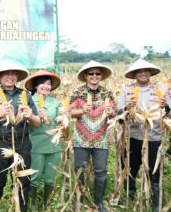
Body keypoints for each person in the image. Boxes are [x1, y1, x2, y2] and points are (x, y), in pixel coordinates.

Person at [0, 59, 41, 212]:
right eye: (6, 73)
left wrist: (31, 116)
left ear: (17, 77)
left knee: (23, 184)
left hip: (22, 143)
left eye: (14, 74)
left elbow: (37, 122)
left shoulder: (26, 95)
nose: (10, 76)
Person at [117, 59, 170, 212]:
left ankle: (155, 201)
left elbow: (169, 111)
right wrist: (128, 107)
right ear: (134, 74)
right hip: (132, 136)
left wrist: (165, 106)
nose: (143, 73)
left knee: (154, 169)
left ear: (150, 73)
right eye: (139, 71)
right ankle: (129, 196)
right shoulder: (127, 90)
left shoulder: (161, 89)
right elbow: (119, 111)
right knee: (130, 167)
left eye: (145, 71)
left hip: (154, 136)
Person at [70, 60, 116, 212]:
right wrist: (82, 110)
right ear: (85, 75)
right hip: (81, 139)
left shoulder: (108, 93)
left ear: (101, 76)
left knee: (101, 172)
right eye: (91, 73)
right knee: (80, 170)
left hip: (101, 139)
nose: (95, 76)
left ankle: (98, 202)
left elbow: (114, 114)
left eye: (98, 73)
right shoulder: (77, 93)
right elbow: (69, 112)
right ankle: (81, 199)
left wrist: (111, 113)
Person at [24, 71, 62, 210]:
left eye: (48, 84)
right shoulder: (28, 101)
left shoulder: (54, 102)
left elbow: (59, 123)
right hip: (36, 144)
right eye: (42, 83)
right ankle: (32, 204)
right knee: (35, 175)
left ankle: (46, 203)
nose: (46, 86)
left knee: (50, 176)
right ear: (35, 86)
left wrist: (58, 119)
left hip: (54, 144)